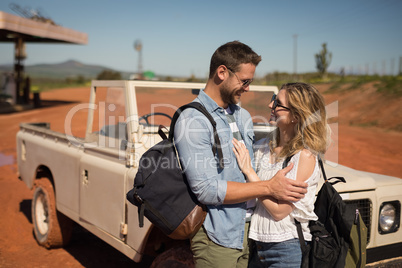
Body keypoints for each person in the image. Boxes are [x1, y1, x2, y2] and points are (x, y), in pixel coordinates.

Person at [174, 41, 308, 267]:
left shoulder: (243, 116)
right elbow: (207, 189)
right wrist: (268, 187)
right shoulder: (193, 120)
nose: (248, 88)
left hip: (251, 234)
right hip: (218, 235)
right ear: (222, 72)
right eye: (244, 81)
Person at [232, 82, 330, 267]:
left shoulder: (304, 156)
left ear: (296, 116)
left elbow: (279, 211)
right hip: (255, 245)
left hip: (286, 249)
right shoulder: (262, 146)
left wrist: (250, 173)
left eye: (277, 103)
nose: (270, 106)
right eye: (272, 100)